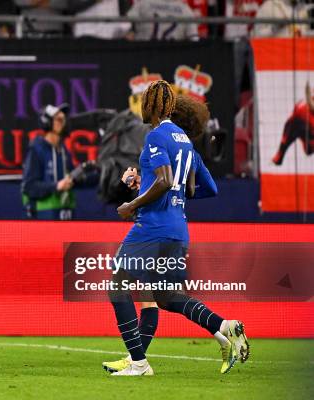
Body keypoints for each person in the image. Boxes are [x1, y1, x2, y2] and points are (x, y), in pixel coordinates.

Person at [106, 80, 249, 376]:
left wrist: (131, 205)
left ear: (151, 105)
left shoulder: (156, 135)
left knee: (118, 283)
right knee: (166, 297)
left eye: (145, 102)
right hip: (177, 228)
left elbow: (164, 180)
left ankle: (139, 363)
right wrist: (157, 189)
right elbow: (203, 188)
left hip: (153, 226)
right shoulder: (185, 139)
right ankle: (224, 326)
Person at [22, 103, 76, 220]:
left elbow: (72, 177)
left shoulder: (63, 150)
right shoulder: (36, 149)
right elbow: (29, 187)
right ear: (47, 122)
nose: (63, 123)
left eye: (64, 120)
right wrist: (56, 186)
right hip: (43, 215)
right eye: (59, 120)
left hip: (65, 212)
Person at [272, 81, 314, 166]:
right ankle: (280, 155)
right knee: (295, 123)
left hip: (311, 139)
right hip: (307, 136)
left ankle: (280, 154)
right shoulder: (301, 108)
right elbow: (288, 125)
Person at [126, 0, 199, 41]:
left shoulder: (144, 3)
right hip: (173, 58)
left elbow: (126, 26)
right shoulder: (185, 9)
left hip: (143, 54)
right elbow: (194, 39)